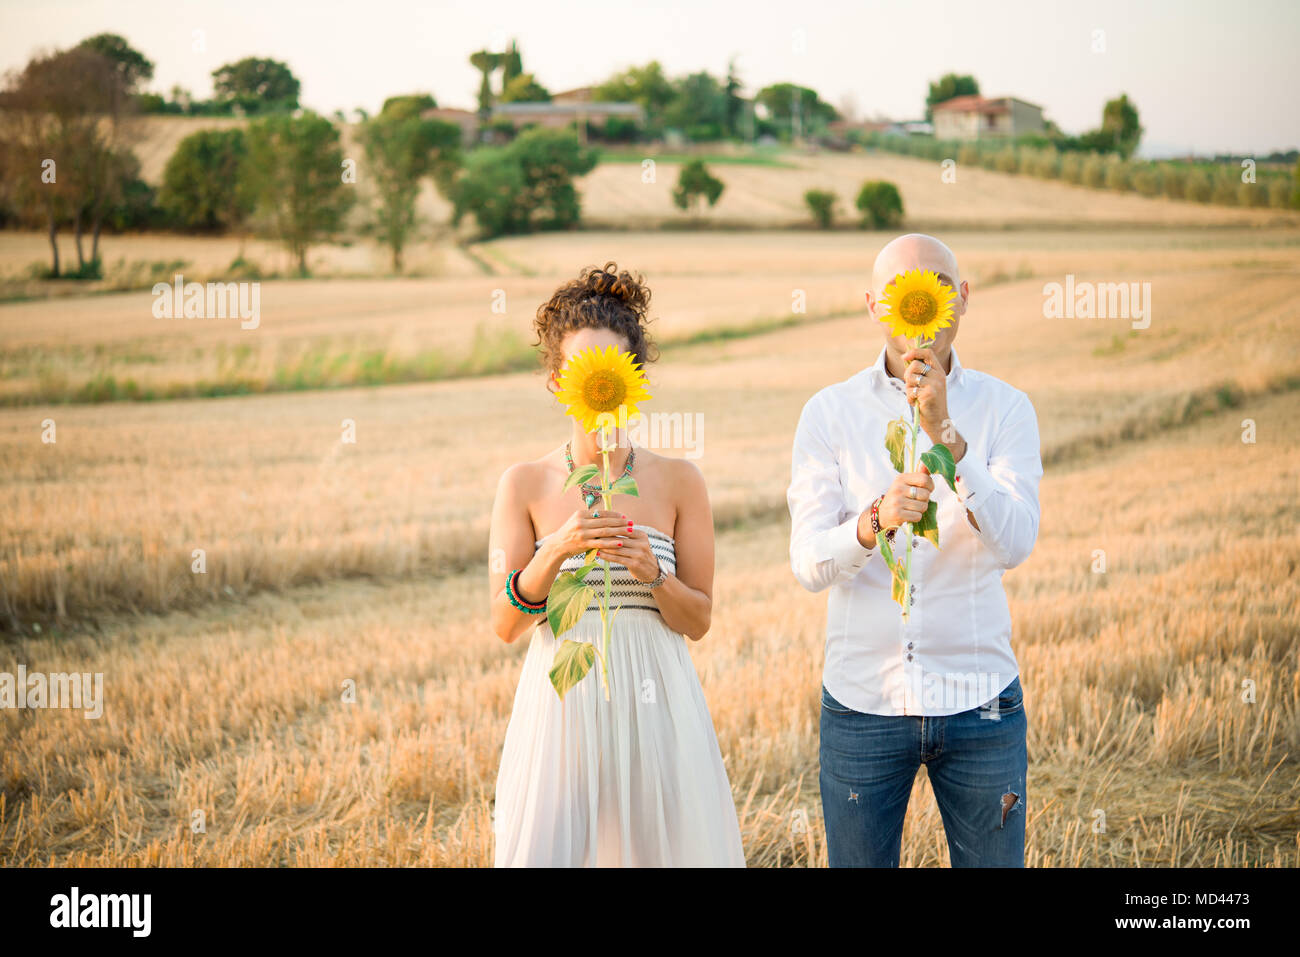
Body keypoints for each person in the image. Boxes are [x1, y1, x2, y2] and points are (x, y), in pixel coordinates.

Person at [787, 233, 1043, 867]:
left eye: (934, 290)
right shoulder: (828, 413)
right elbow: (809, 564)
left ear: (961, 298)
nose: (920, 306)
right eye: (904, 292)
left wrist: (947, 437)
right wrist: (874, 520)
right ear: (875, 305)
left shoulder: (1006, 409)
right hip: (863, 702)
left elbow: (1014, 543)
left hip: (981, 699)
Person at [489, 262, 745, 867]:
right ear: (557, 381)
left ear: (635, 376)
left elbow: (699, 620)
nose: (599, 380)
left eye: (613, 367)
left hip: (657, 707)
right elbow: (504, 623)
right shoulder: (523, 484)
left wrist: (653, 575)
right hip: (562, 712)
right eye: (582, 367)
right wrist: (557, 549)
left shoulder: (681, 481)